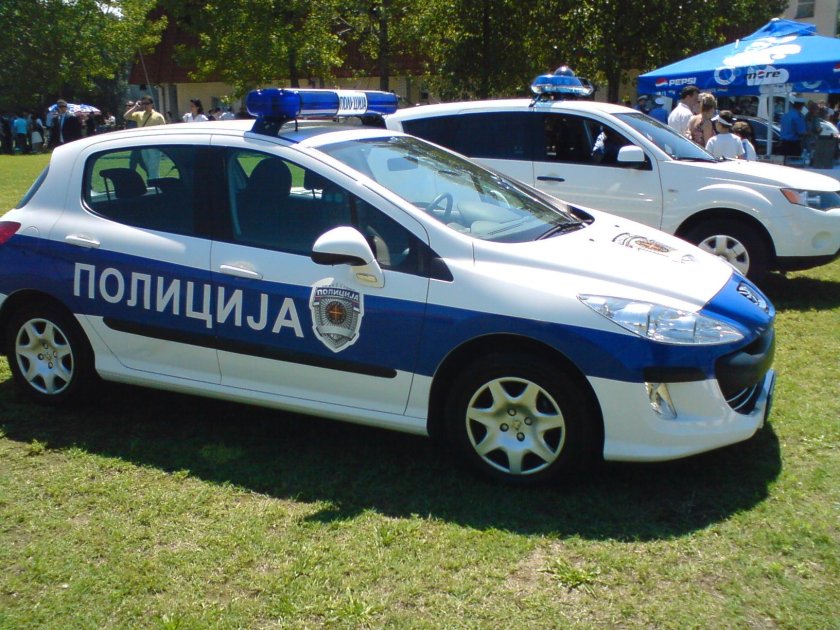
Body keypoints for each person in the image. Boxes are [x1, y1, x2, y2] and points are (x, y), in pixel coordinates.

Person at [124, 96, 166, 178]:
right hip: (143, 145)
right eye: (143, 104)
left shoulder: (158, 116)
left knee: (153, 168)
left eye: (147, 104)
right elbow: (126, 116)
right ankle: (155, 184)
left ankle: (155, 185)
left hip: (155, 146)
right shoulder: (139, 114)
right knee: (148, 168)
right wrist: (136, 106)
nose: (145, 106)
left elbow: (164, 131)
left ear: (152, 104)